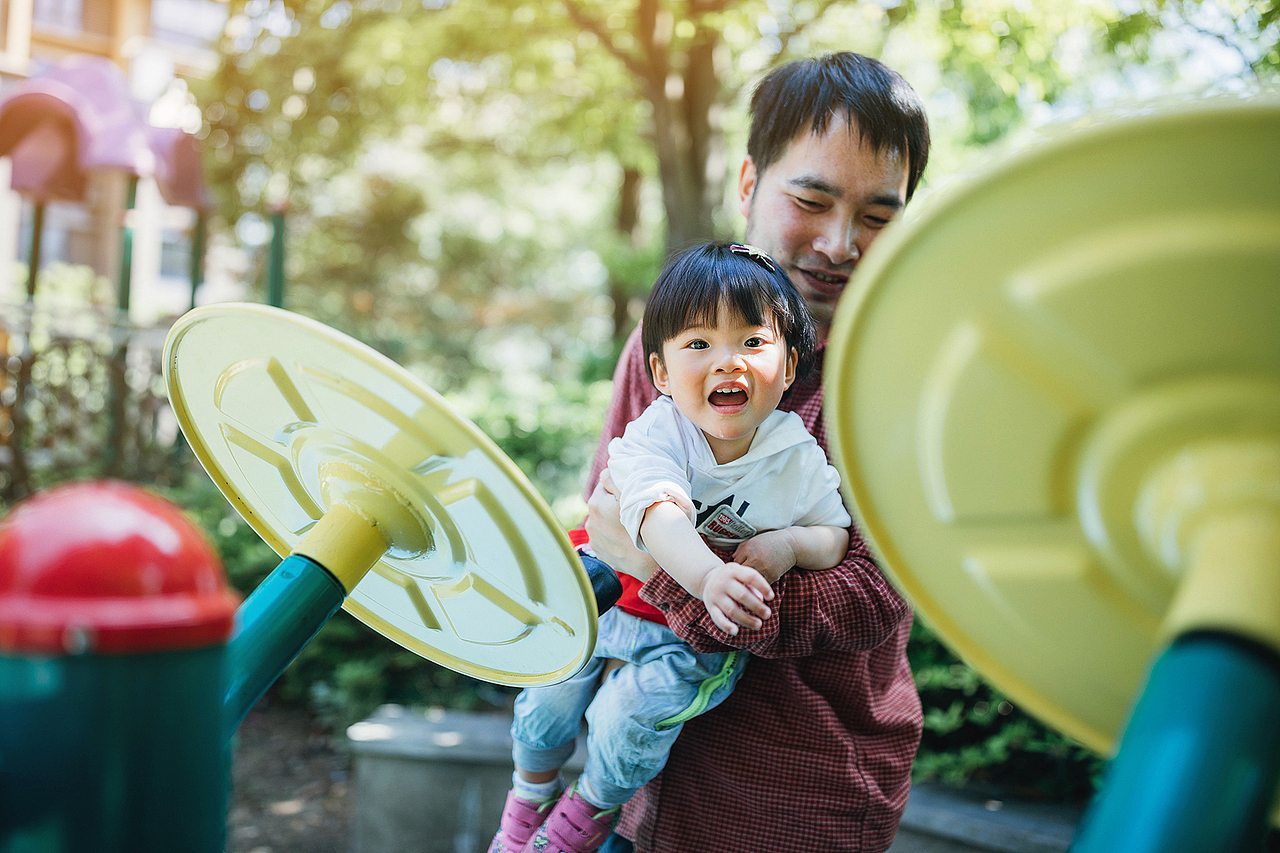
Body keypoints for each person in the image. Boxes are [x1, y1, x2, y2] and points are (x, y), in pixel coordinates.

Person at [587, 52, 931, 853]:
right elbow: (603, 515)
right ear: (748, 182)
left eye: (878, 217)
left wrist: (665, 568)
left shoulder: (903, 387)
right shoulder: (663, 346)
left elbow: (869, 596)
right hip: (630, 776)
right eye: (811, 201)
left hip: (792, 796)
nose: (840, 243)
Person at [487, 241, 853, 853]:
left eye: (752, 342)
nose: (728, 362)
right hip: (609, 598)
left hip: (686, 640)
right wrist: (708, 578)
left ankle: (587, 810)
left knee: (627, 720)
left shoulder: (797, 456)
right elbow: (661, 513)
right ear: (660, 372)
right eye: (699, 343)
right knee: (548, 694)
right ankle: (529, 792)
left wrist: (791, 544)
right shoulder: (660, 431)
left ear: (789, 366)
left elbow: (835, 535)